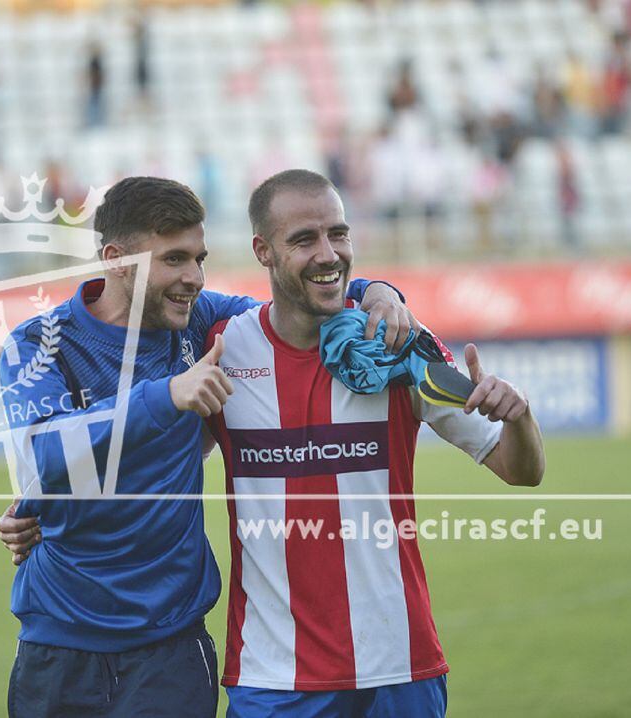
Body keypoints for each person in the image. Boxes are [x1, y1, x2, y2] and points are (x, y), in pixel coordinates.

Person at [2, 172, 546, 716]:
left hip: (220, 647)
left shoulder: (215, 328)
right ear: (117, 259)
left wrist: (378, 291)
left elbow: (307, 295)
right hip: (111, 644)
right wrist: (159, 401)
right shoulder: (60, 343)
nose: (192, 277)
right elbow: (45, 452)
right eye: (173, 259)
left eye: (199, 258)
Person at [204, 170, 544, 716]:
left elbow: (520, 469)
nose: (328, 254)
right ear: (262, 251)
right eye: (304, 240)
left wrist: (520, 418)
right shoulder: (222, 351)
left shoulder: (397, 343)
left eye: (338, 234)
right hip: (273, 675)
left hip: (398, 666)